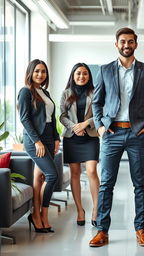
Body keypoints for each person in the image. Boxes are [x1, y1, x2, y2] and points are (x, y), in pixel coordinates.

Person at [89, 27, 144, 247]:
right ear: (116, 44)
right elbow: (96, 102)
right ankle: (102, 231)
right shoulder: (105, 70)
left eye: (130, 41)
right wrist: (100, 127)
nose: (126, 45)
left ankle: (141, 229)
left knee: (140, 184)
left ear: (136, 44)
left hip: (137, 133)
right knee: (106, 184)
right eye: (122, 41)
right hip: (111, 133)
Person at [18, 59, 60, 233]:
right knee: (52, 175)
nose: (40, 74)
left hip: (49, 138)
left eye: (43, 71)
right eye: (36, 71)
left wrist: (57, 138)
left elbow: (51, 117)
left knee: (40, 178)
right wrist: (37, 141)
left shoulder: (45, 93)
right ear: (30, 72)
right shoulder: (25, 92)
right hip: (35, 140)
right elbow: (25, 118)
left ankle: (36, 215)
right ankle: (41, 213)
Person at [60, 63, 100, 227]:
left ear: (89, 76)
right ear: (73, 75)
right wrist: (74, 127)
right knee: (75, 174)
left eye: (84, 73)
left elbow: (99, 114)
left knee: (91, 171)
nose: (81, 76)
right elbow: (62, 116)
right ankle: (80, 211)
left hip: (90, 136)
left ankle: (97, 209)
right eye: (78, 73)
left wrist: (85, 124)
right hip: (71, 137)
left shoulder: (95, 92)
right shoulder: (66, 93)